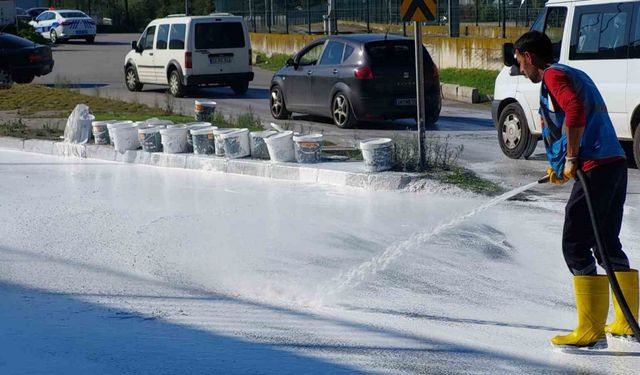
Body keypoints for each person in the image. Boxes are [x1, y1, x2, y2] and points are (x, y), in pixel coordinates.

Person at [513, 31, 638, 349]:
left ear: (529, 56)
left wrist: (571, 157)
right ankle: (626, 321)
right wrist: (560, 164)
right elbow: (569, 119)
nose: (518, 68)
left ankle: (590, 330)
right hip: (613, 164)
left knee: (574, 243)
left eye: (518, 60)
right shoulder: (571, 71)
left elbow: (575, 112)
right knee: (605, 242)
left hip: (595, 168)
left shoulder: (553, 76)